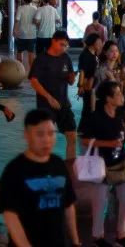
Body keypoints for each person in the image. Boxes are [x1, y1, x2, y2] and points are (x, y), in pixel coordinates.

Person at [0, 109, 81, 247]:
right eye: (40, 134)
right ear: (27, 135)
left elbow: (68, 206)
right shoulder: (14, 170)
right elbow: (10, 216)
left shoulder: (58, 164)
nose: (47, 140)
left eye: (51, 133)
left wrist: (75, 241)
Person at [82, 80, 125, 247]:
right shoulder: (96, 117)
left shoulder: (121, 113)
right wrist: (108, 144)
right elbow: (85, 140)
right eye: (118, 94)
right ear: (108, 98)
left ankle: (121, 235)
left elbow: (123, 133)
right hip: (102, 165)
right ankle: (98, 237)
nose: (121, 96)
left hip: (121, 163)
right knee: (100, 203)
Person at [28, 30, 78, 161]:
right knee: (44, 140)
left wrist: (72, 78)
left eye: (65, 45)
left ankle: (70, 168)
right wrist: (48, 97)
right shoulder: (41, 59)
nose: (63, 48)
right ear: (53, 41)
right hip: (46, 106)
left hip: (63, 104)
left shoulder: (66, 58)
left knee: (72, 136)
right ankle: (41, 166)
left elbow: (70, 80)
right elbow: (34, 81)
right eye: (61, 44)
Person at [77, 33, 102, 134]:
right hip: (88, 84)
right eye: (98, 42)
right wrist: (80, 86)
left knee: (89, 106)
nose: (100, 44)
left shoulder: (93, 54)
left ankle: (84, 128)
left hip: (93, 84)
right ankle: (83, 129)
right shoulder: (86, 55)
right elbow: (82, 71)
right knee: (87, 106)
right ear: (92, 43)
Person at [14, 0, 39, 71]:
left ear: (23, 0)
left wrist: (15, 30)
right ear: (31, 0)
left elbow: (17, 20)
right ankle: (31, 72)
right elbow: (37, 21)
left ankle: (20, 70)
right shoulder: (35, 9)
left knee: (19, 51)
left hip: (21, 34)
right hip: (32, 34)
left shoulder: (20, 8)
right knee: (31, 53)